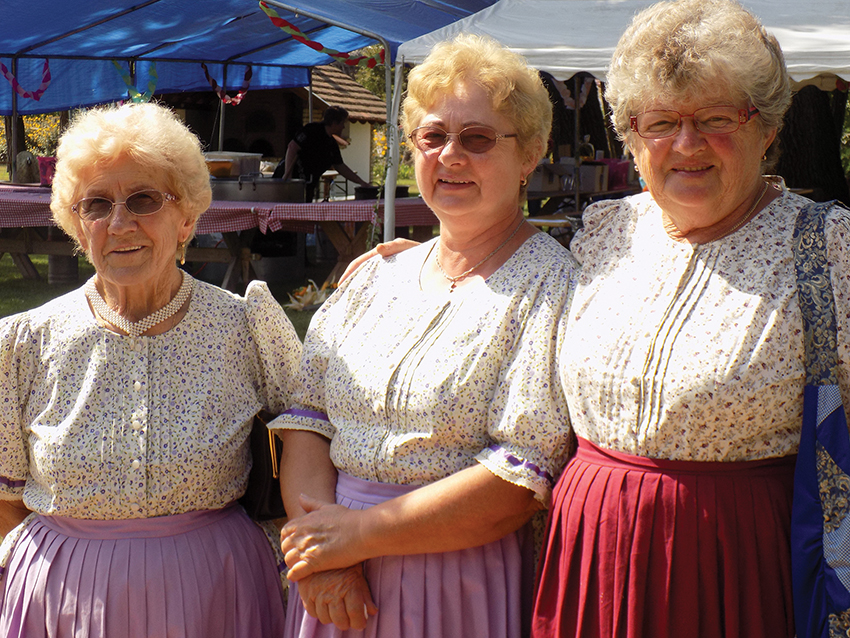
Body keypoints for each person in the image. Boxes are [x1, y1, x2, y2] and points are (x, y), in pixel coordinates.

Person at [530, 0, 850, 636]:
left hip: (738, 564)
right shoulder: (603, 232)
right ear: (630, 134)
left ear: (767, 128)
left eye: (716, 117)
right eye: (661, 122)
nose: (686, 144)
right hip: (589, 554)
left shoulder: (825, 248)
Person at [272, 34, 577, 638]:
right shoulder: (373, 276)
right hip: (333, 580)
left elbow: (519, 477)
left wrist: (354, 536)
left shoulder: (554, 288)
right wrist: (321, 554)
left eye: (478, 138)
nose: (451, 156)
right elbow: (307, 418)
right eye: (433, 136)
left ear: (530, 154)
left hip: (456, 580)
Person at [0, 102, 302, 637]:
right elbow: (4, 500)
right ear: (76, 223)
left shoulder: (244, 327)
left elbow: (310, 445)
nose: (119, 224)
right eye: (96, 204)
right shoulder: (24, 342)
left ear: (186, 217)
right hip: (63, 603)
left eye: (143, 199)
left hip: (217, 593)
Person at [273, 105, 371, 201]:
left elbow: (340, 167)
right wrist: (288, 178)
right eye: (342, 123)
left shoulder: (331, 144)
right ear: (334, 123)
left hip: (307, 186)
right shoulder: (312, 130)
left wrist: (361, 182)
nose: (343, 127)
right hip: (287, 183)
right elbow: (292, 147)